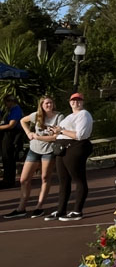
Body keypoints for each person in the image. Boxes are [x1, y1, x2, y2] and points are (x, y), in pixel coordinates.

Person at [4, 96, 63, 218]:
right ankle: (21, 207)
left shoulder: (59, 117)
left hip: (48, 150)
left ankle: (39, 206)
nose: (48, 105)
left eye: (51, 102)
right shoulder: (37, 115)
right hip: (34, 149)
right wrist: (28, 133)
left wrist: (38, 137)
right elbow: (22, 121)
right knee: (24, 179)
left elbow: (55, 137)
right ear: (41, 105)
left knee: (45, 177)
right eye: (46, 103)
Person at [45, 92, 93, 222]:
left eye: (78, 100)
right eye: (73, 100)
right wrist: (55, 131)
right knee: (63, 180)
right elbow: (61, 131)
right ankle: (61, 209)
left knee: (78, 179)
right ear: (69, 102)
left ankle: (77, 210)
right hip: (62, 148)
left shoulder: (84, 114)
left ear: (82, 102)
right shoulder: (69, 116)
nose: (76, 102)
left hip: (75, 147)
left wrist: (60, 131)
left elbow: (80, 134)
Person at [0, 95, 24, 189]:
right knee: (6, 157)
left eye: (7, 102)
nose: (6, 105)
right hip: (8, 135)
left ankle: (9, 181)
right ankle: (7, 179)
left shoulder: (16, 110)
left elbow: (11, 125)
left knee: (8, 157)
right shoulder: (11, 110)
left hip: (12, 135)